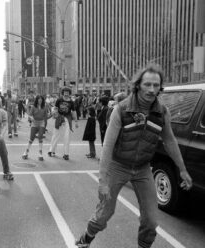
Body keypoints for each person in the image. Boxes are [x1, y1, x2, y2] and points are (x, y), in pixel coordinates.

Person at [75, 64, 193, 248]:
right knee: (104, 214)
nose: (152, 89)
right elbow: (108, 145)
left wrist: (183, 170)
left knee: (151, 221)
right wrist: (103, 180)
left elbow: (170, 142)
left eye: (156, 85)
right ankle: (86, 238)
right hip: (117, 166)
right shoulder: (121, 109)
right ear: (138, 85)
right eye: (147, 84)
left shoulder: (162, 113)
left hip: (143, 169)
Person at [48, 87, 78, 160]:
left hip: (67, 119)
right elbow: (55, 108)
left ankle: (66, 154)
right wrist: (54, 113)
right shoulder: (59, 100)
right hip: (59, 118)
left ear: (69, 93)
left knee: (66, 137)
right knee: (55, 135)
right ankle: (51, 150)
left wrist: (76, 121)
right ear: (63, 93)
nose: (66, 93)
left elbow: (74, 111)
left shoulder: (71, 102)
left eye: (67, 92)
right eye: (65, 92)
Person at [22, 95, 50, 161]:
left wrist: (53, 115)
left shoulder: (45, 107)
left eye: (41, 99)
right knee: (31, 138)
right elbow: (30, 115)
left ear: (43, 100)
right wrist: (31, 118)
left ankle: (40, 154)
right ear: (36, 100)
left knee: (40, 136)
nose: (40, 100)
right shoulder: (33, 107)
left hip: (41, 123)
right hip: (34, 123)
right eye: (38, 99)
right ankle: (26, 152)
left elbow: (46, 117)